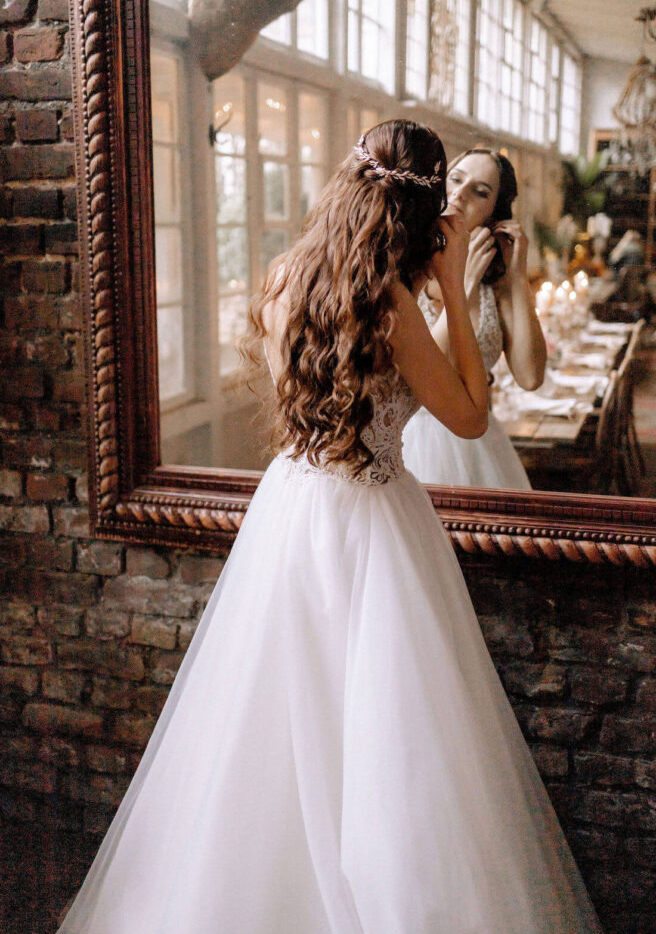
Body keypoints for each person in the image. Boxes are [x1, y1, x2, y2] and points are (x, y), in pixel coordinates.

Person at [57, 121, 601, 934]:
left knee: (267, 715)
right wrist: (453, 284)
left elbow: (310, 410)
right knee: (386, 731)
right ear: (421, 211)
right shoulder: (390, 303)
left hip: (292, 506)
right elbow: (468, 414)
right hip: (374, 520)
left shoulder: (286, 279)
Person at [403, 147, 547, 489]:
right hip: (408, 446)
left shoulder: (495, 287)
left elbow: (529, 377)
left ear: (493, 213)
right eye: (455, 179)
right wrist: (461, 286)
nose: (459, 193)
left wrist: (516, 276)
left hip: (478, 450)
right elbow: (421, 379)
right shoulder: (403, 268)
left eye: (480, 191)